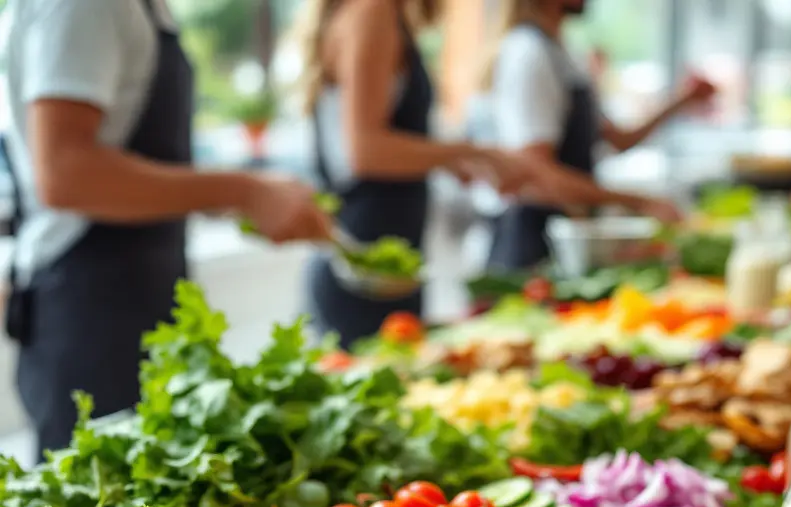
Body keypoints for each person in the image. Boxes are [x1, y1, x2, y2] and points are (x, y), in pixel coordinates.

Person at [0, 0, 334, 461]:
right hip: (89, 315)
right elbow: (65, 172)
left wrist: (245, 200)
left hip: (140, 301)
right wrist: (243, 191)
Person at [298, 0, 557, 346]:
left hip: (387, 260)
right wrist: (470, 152)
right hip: (365, 265)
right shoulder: (371, 12)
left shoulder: (380, 13)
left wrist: (454, 161)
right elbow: (365, 152)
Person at [486, 0, 713, 271]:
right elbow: (536, 173)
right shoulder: (529, 52)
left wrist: (682, 100)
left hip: (567, 238)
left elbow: (619, 139)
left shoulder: (561, 52)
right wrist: (639, 202)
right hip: (533, 244)